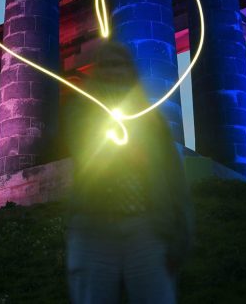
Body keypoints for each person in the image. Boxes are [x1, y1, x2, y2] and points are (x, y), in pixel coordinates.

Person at [64, 39, 194, 304]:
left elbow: (173, 176)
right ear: (98, 71)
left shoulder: (152, 122)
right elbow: (76, 143)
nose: (114, 71)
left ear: (130, 70)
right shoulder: (82, 112)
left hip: (145, 227)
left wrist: (181, 231)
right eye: (107, 65)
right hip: (94, 227)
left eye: (120, 65)